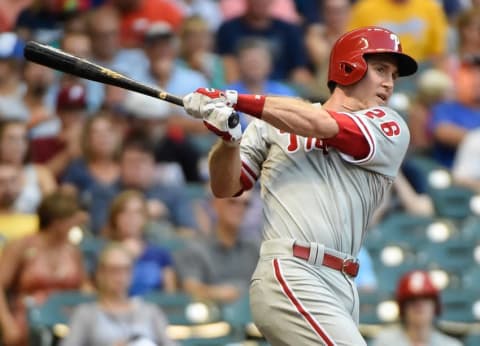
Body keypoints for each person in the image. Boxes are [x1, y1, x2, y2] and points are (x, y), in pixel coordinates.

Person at [182, 26, 418, 345]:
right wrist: (228, 141)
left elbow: (322, 125)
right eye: (380, 69)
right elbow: (226, 187)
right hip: (292, 271)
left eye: (393, 74)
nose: (389, 82)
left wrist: (234, 99)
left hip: (344, 283)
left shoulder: (389, 126)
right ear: (349, 67)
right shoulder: (273, 124)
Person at [0, 191, 90, 346]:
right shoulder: (21, 246)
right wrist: (8, 326)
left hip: (67, 321)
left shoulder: (73, 250)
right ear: (57, 222)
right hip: (28, 321)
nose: (76, 225)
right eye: (71, 220)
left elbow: (84, 287)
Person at [62, 243, 177, 346]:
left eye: (125, 269)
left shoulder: (150, 312)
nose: (120, 277)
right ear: (100, 273)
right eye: (113, 270)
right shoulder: (86, 314)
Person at [175, 191, 259, 304]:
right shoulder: (195, 249)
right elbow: (190, 288)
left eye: (246, 204)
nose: (240, 208)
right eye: (232, 202)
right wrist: (221, 293)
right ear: (215, 204)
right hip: (211, 315)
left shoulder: (254, 248)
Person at [102, 190, 176, 295]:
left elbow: (170, 294)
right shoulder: (104, 252)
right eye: (124, 212)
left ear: (145, 218)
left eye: (137, 212)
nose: (131, 218)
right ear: (115, 217)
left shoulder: (160, 254)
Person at [372, 270, 462, 346]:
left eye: (425, 299)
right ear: (403, 308)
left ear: (435, 306)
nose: (419, 305)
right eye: (412, 300)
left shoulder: (451, 345)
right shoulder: (384, 342)